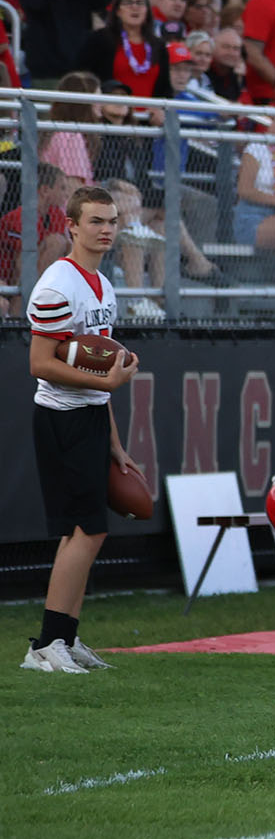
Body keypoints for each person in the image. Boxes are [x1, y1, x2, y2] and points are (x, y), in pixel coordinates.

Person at [22, 186, 139, 673]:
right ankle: (47, 645)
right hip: (61, 417)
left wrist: (114, 441)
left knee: (91, 532)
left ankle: (65, 638)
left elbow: (101, 369)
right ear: (71, 225)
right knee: (84, 531)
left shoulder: (103, 284)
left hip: (89, 415)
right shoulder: (57, 284)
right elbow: (39, 363)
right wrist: (104, 379)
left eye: (112, 221)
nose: (106, 229)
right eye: (95, 221)